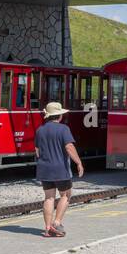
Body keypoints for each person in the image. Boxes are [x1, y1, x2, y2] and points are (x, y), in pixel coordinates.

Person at [36, 101, 84, 237]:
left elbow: (37, 150)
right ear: (59, 116)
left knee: (49, 198)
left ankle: (47, 228)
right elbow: (69, 147)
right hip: (60, 169)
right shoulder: (63, 129)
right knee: (66, 195)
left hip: (44, 168)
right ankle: (56, 223)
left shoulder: (40, 130)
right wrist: (78, 162)